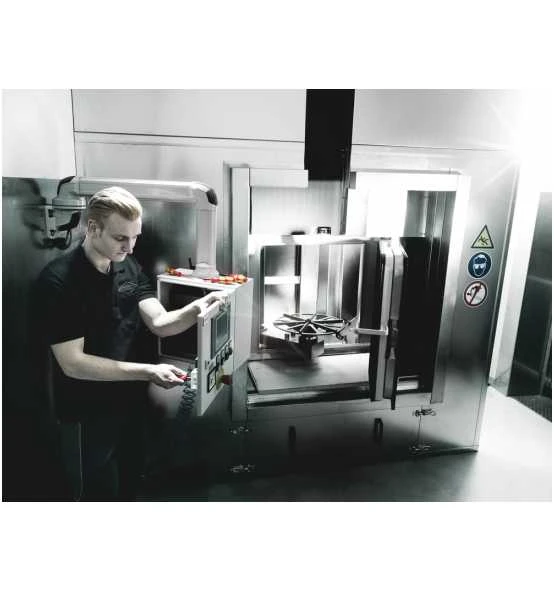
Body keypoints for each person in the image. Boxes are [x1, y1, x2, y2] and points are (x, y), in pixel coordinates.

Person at [35, 186, 225, 501]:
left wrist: (197, 308)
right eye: (121, 238)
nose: (130, 246)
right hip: (87, 414)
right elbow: (73, 363)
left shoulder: (127, 266)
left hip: (130, 405)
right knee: (97, 494)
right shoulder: (59, 282)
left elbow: (160, 322)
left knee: (130, 487)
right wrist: (148, 371)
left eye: (135, 237)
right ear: (93, 227)